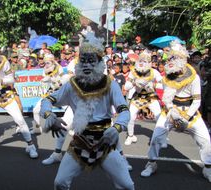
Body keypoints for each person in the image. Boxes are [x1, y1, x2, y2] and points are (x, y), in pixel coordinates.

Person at [40, 30, 134, 190]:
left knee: (127, 185)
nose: (88, 65)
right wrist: (49, 115)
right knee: (60, 182)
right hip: (80, 143)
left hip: (106, 143)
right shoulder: (72, 84)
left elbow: (124, 110)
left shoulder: (110, 84)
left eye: (92, 61)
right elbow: (48, 100)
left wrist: (117, 128)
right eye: (84, 61)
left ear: (99, 63)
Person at [140, 41, 211, 183]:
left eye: (175, 59)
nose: (171, 62)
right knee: (155, 138)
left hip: (190, 114)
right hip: (170, 112)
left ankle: (208, 168)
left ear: (183, 61)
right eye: (170, 59)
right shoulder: (168, 77)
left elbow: (197, 101)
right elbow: (167, 98)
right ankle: (151, 164)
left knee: (205, 140)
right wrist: (172, 111)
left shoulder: (194, 77)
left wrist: (185, 117)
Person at [0, 37, 38, 158]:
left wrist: (0, 81)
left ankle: (31, 146)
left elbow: (12, 78)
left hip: (6, 96)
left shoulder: (3, 61)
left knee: (19, 120)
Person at [31, 54, 73, 165]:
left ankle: (118, 156)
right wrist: (47, 81)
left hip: (63, 94)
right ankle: (37, 128)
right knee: (36, 109)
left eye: (48, 62)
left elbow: (66, 80)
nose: (46, 65)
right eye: (45, 63)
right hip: (53, 94)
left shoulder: (59, 68)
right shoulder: (45, 70)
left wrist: (55, 81)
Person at [123, 50, 163, 145]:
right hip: (138, 97)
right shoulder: (133, 72)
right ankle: (130, 136)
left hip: (151, 97)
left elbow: (162, 85)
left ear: (149, 63)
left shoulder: (154, 72)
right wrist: (134, 83)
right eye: (140, 61)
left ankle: (160, 137)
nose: (142, 63)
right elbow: (126, 86)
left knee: (159, 116)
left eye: (145, 61)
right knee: (131, 117)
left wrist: (152, 85)